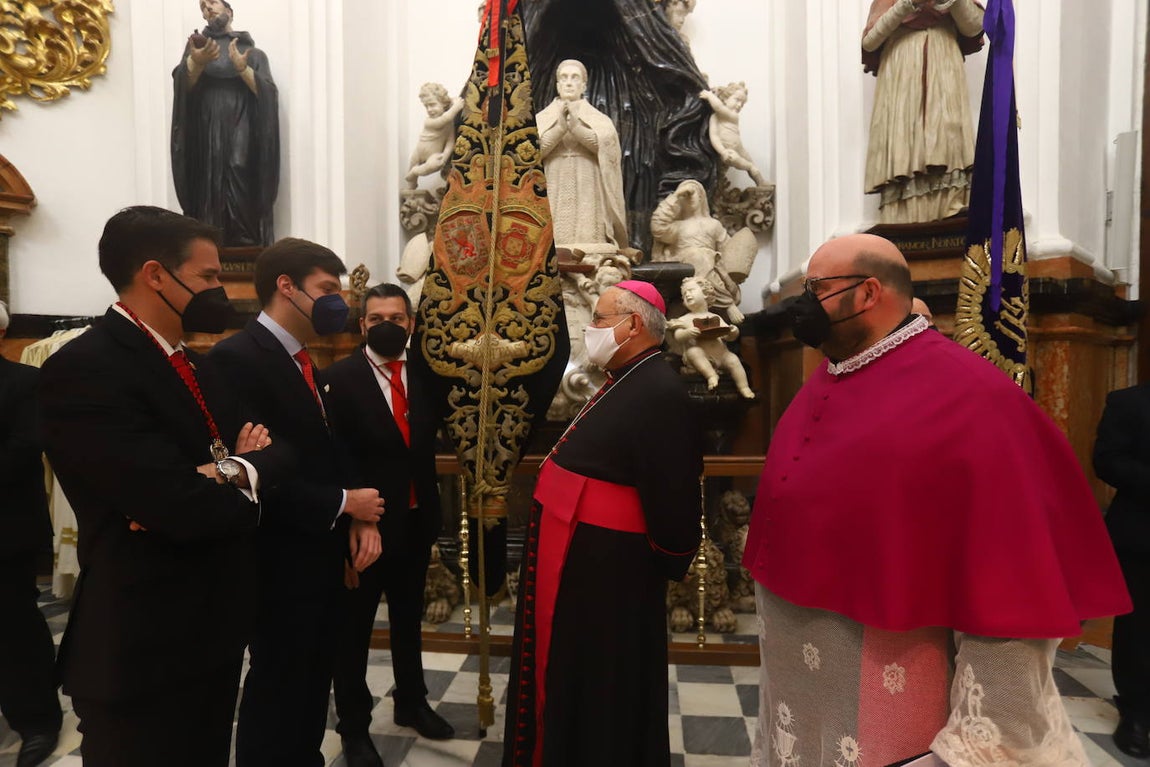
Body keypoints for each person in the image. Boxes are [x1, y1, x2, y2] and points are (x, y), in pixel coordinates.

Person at [744, 233, 1131, 766]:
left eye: (818, 289)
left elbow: (1009, 571)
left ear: (868, 292)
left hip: (887, 668)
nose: (803, 304)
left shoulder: (970, 394)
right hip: (804, 679)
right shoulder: (836, 372)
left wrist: (983, 729)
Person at [37, 206, 286, 766]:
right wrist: (242, 476)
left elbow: (279, 456)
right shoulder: (87, 367)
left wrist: (228, 472)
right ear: (155, 275)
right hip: (142, 643)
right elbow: (178, 506)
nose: (220, 289)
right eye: (208, 275)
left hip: (211, 631)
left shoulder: (199, 365)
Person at [503, 280, 704, 767]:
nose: (590, 328)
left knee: (599, 687)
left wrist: (670, 559)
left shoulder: (659, 390)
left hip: (607, 577)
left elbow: (674, 493)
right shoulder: (626, 379)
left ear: (632, 324)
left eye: (599, 318)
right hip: (585, 567)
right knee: (571, 676)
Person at [210, 238, 384, 766]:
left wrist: (354, 514)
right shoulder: (238, 358)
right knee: (278, 687)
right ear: (286, 287)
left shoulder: (303, 360)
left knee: (312, 682)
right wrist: (343, 503)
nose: (338, 302)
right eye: (328, 289)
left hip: (319, 552)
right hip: (277, 558)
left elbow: (326, 449)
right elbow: (256, 475)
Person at [325, 283, 452, 767]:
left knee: (408, 617)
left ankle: (411, 701)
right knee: (353, 629)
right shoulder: (339, 379)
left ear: (411, 324)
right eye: (376, 318)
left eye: (396, 318)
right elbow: (334, 454)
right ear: (362, 325)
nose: (386, 326)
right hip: (365, 526)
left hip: (417, 519)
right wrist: (357, 518)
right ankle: (354, 727)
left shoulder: (427, 374)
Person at [0, 301, 62, 767]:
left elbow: (24, 448)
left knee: (14, 627)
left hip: (6, 529)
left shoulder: (24, 381)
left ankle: (38, 720)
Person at [862, 0, 984, 224]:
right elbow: (870, 42)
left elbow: (975, 27)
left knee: (947, 135)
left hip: (944, 64)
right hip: (903, 68)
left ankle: (949, 204)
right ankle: (902, 215)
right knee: (905, 140)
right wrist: (907, 4)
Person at [172, 0, 279, 246]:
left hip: (242, 121)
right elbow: (183, 88)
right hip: (206, 124)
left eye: (212, 2)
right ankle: (210, 235)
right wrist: (197, 63)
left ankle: (245, 238)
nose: (207, 8)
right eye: (203, 6)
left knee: (239, 166)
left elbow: (267, 93)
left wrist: (242, 69)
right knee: (207, 173)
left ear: (229, 11)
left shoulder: (253, 54)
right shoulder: (196, 50)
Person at [1093, 386, 1150, 758]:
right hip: (1142, 535)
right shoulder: (1129, 402)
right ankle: (1137, 713)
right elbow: (1107, 461)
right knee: (1139, 630)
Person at [537, 59, 630, 256]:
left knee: (587, 223)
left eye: (575, 78)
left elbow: (605, 149)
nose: (569, 82)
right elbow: (535, 151)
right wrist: (560, 128)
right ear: (557, 85)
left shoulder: (599, 119)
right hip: (554, 176)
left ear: (584, 86)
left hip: (587, 178)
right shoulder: (542, 118)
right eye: (564, 78)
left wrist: (577, 128)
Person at [650, 178, 744, 323]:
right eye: (686, 195)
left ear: (702, 197)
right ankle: (726, 302)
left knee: (703, 256)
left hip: (710, 265)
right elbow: (658, 227)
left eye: (695, 193)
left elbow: (728, 251)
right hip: (682, 265)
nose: (691, 197)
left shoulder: (713, 225)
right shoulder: (678, 226)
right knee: (697, 255)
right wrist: (676, 196)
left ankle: (723, 300)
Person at [668, 276, 754, 398]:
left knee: (734, 359)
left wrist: (733, 331)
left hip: (721, 355)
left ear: (705, 294)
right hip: (702, 356)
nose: (687, 295)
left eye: (691, 290)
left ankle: (744, 387)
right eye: (684, 294)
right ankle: (711, 375)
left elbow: (728, 336)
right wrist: (688, 333)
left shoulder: (715, 318)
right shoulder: (685, 319)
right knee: (693, 352)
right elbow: (678, 336)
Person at [699, 82, 767, 187]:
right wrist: (722, 151)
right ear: (725, 99)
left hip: (739, 148)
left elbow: (719, 107)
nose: (739, 105)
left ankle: (761, 182)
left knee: (752, 164)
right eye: (737, 100)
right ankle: (749, 167)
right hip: (729, 150)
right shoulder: (714, 117)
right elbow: (714, 136)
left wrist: (709, 96)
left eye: (742, 104)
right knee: (736, 160)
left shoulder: (733, 116)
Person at [405, 83, 465, 188]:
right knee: (412, 170)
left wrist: (444, 157)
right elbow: (444, 119)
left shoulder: (449, 124)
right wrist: (456, 107)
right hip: (419, 152)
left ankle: (415, 172)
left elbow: (450, 141)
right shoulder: (429, 121)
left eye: (432, 105)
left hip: (433, 155)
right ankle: (411, 186)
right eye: (426, 106)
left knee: (434, 166)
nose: (429, 109)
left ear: (443, 103)